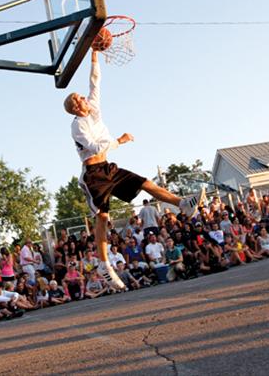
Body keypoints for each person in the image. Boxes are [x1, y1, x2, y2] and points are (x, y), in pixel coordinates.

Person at [63, 47, 205, 290]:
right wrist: (120, 140)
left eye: (80, 96)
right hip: (94, 176)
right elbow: (94, 146)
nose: (83, 98)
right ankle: (104, 265)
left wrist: (94, 53)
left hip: (109, 168)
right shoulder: (77, 125)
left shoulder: (94, 111)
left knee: (145, 183)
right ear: (76, 108)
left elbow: (95, 81)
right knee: (103, 217)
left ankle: (181, 203)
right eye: (78, 99)